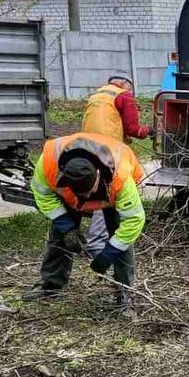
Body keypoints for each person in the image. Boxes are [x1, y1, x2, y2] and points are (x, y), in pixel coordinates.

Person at [22, 131, 146, 318]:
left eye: (89, 191)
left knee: (122, 241)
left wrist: (109, 252)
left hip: (111, 192)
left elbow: (134, 219)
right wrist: (66, 225)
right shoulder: (49, 163)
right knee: (59, 235)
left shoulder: (121, 178)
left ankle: (124, 296)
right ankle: (50, 285)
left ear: (97, 174)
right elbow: (42, 193)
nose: (86, 199)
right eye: (82, 194)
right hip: (68, 196)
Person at [80, 75, 149, 257]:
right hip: (108, 151)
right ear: (125, 85)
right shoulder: (124, 96)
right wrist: (149, 131)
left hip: (86, 148)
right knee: (109, 192)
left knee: (93, 190)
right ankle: (95, 243)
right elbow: (134, 129)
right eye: (131, 89)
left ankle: (90, 238)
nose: (131, 93)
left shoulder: (97, 95)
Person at [82, 75, 150, 143]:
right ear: (123, 82)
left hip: (87, 142)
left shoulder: (95, 94)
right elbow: (132, 129)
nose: (130, 92)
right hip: (109, 144)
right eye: (129, 89)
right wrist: (148, 130)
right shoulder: (124, 95)